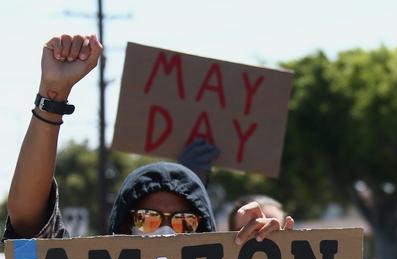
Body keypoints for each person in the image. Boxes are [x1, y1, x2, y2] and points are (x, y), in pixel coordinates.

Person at [5, 33, 293, 243]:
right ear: (122, 227)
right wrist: (53, 96)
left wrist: (280, 255)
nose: (165, 232)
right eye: (146, 219)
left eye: (185, 222)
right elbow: (28, 222)